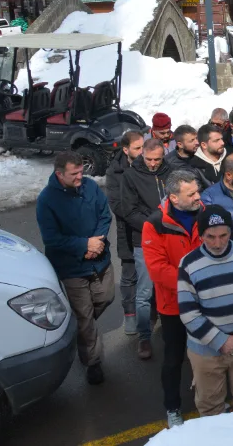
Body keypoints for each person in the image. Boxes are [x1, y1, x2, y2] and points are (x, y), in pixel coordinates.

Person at [178, 205, 233, 417]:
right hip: (206, 350)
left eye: (223, 235)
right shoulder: (188, 264)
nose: (218, 243)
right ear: (201, 236)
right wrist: (221, 341)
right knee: (210, 408)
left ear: (230, 232)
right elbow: (188, 312)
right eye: (211, 237)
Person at [36, 151, 114, 385]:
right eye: (74, 174)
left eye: (81, 171)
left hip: (100, 259)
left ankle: (80, 328)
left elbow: (105, 215)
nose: (81, 176)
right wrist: (83, 245)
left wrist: (96, 243)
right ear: (59, 174)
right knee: (84, 317)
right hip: (71, 268)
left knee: (106, 297)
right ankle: (92, 362)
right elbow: (52, 239)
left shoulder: (90, 187)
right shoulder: (47, 200)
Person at [142, 170, 203, 427]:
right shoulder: (155, 224)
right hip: (174, 306)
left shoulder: (204, 213)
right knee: (174, 359)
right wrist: (193, 281)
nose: (198, 197)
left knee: (208, 356)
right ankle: (173, 407)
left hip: (204, 302)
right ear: (174, 198)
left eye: (198, 191)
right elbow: (157, 269)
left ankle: (209, 400)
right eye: (192, 193)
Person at [119, 138, 170, 360]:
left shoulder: (171, 172)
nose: (152, 164)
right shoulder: (131, 176)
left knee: (170, 287)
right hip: (145, 240)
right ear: (142, 155)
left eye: (157, 159)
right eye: (149, 159)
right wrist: (154, 226)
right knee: (144, 292)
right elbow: (129, 212)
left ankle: (171, 331)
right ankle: (144, 336)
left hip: (170, 237)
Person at [106, 131, 143, 336]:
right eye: (138, 148)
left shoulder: (148, 164)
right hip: (127, 230)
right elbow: (117, 204)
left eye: (143, 146)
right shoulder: (115, 171)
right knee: (129, 274)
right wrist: (140, 218)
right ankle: (130, 313)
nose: (142, 151)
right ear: (126, 150)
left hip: (148, 226)